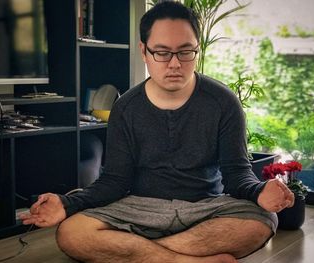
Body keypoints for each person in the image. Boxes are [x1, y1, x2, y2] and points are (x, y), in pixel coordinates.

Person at [20, 2, 294, 263]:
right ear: (144, 50)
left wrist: (260, 191)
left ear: (197, 50)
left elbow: (237, 174)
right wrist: (66, 204)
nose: (174, 64)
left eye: (185, 52)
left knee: (263, 220)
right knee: (71, 233)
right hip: (139, 208)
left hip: (205, 207)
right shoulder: (126, 107)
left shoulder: (223, 101)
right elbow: (114, 181)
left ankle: (138, 254)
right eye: (162, 52)